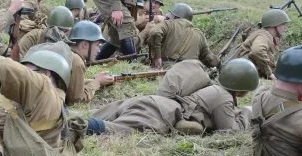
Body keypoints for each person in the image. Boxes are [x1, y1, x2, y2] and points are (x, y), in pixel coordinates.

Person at [86, 58, 259, 136]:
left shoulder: (215, 90)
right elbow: (230, 132)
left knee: (94, 116)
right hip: (160, 111)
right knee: (115, 130)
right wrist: (246, 113)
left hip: (151, 101)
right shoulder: (224, 97)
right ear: (243, 87)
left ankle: (76, 121)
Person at [145, 3, 217, 68]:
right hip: (190, 70)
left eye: (170, 14)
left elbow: (155, 32)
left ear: (174, 16)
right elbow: (209, 57)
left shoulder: (169, 24)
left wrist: (157, 56)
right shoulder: (199, 34)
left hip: (166, 68)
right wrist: (219, 64)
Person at [227, 9, 290, 79]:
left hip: (242, 71)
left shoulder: (267, 35)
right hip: (241, 74)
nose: (284, 28)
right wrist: (269, 73)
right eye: (283, 24)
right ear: (275, 25)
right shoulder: (264, 35)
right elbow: (257, 51)